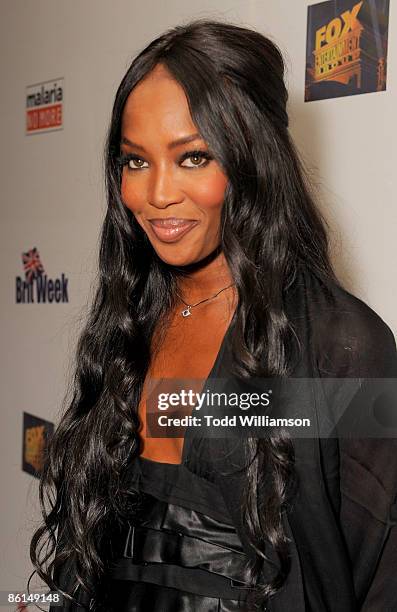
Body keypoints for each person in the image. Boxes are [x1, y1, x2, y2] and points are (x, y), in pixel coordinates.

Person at [29, 18, 397, 612]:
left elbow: (380, 570)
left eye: (193, 157)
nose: (157, 194)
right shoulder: (130, 322)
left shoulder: (343, 344)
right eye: (135, 162)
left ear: (253, 157)